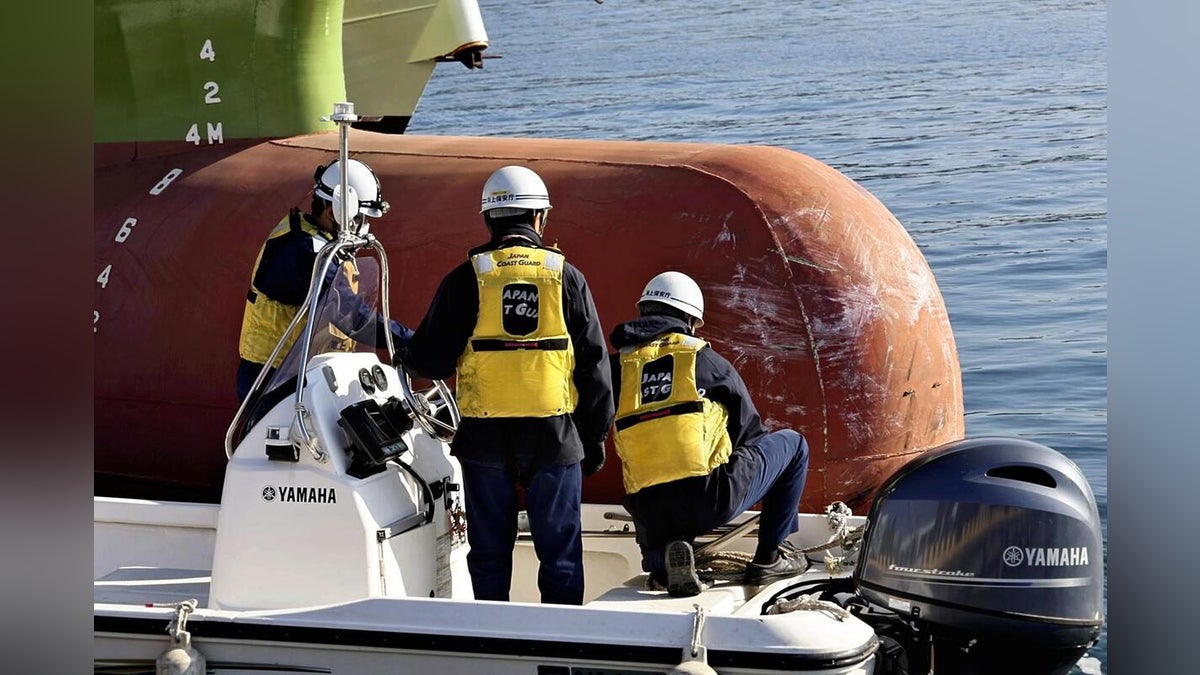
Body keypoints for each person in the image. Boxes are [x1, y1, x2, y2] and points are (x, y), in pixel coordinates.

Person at [393, 165, 614, 605]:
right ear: (539, 219)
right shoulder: (565, 276)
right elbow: (594, 366)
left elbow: (430, 359)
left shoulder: (466, 278)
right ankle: (562, 646)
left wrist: (402, 347)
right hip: (555, 436)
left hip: (485, 436)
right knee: (561, 556)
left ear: (489, 220)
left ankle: (495, 637)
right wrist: (592, 439)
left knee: (490, 554)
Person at [608, 271, 811, 597]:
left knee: (653, 493)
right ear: (690, 320)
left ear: (643, 311)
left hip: (649, 510)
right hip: (710, 499)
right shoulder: (705, 361)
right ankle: (770, 557)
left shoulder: (616, 368)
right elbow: (751, 434)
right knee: (795, 445)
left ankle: (661, 563)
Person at [236, 158, 411, 401]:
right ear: (332, 212)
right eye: (359, 218)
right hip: (274, 377)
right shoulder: (306, 251)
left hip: (300, 370)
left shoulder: (315, 239)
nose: (365, 226)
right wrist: (411, 341)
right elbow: (352, 316)